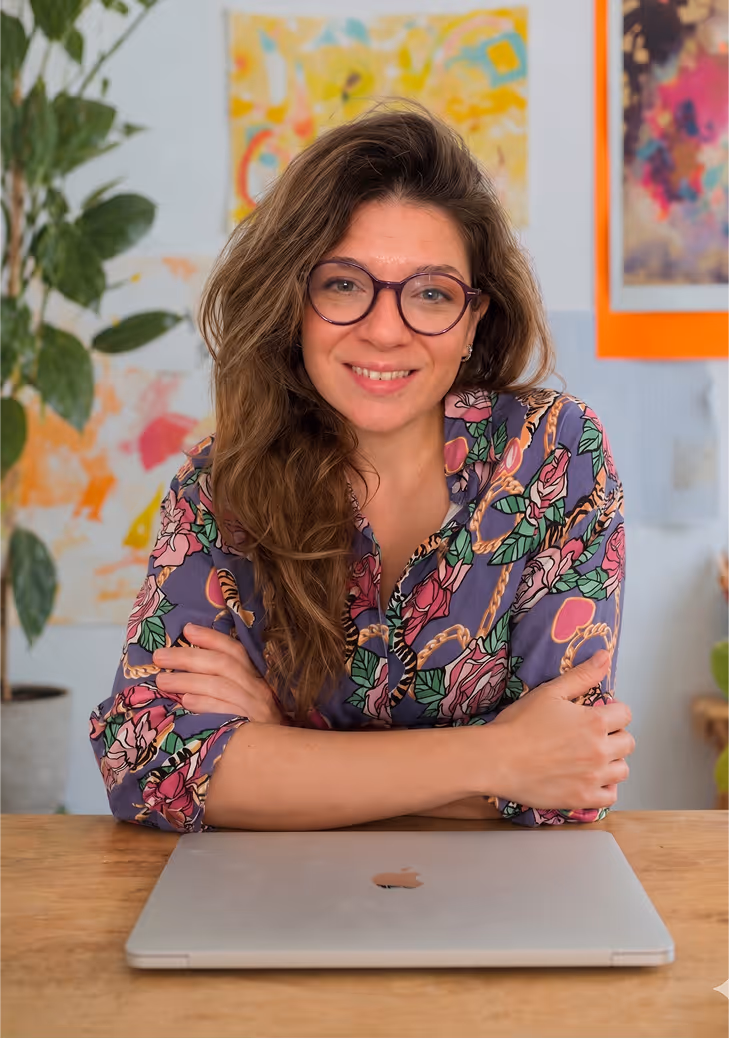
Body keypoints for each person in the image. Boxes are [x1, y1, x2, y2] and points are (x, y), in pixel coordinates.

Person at [89, 105, 632, 834]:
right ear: (295, 302)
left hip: (503, 896)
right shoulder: (221, 487)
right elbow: (148, 766)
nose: (383, 330)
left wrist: (279, 748)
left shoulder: (553, 455)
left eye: (431, 293)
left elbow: (570, 777)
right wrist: (500, 758)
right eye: (344, 284)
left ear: (473, 320)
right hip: (275, 892)